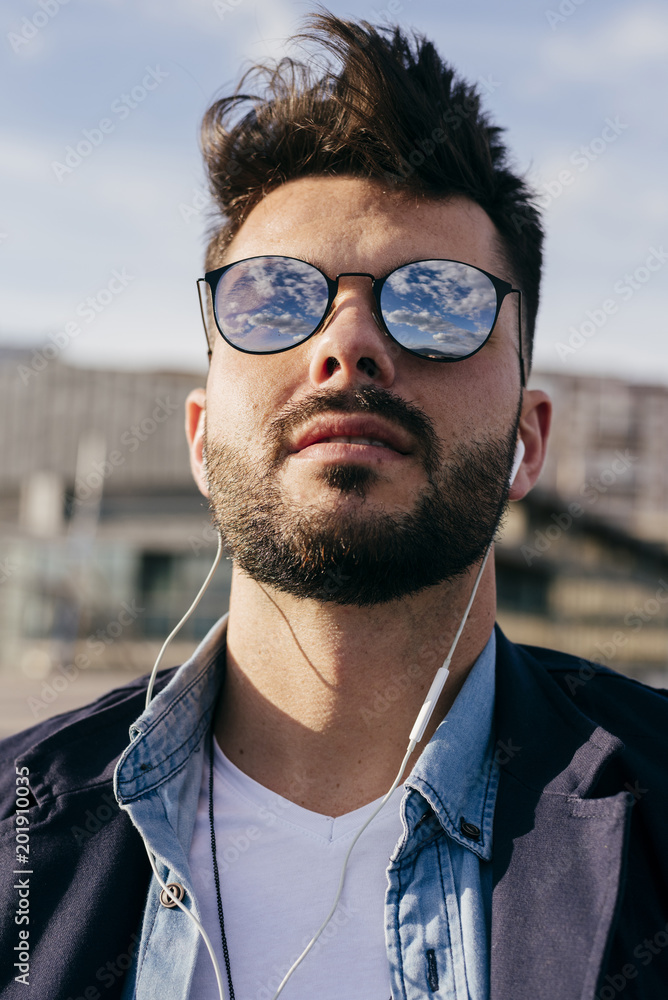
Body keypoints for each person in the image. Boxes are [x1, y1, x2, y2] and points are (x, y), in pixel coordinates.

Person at [1, 12, 667, 1000]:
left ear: (529, 441)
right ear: (197, 435)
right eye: (273, 298)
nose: (347, 341)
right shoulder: (14, 830)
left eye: (435, 300)